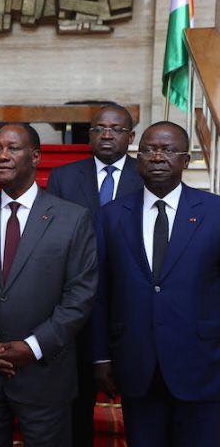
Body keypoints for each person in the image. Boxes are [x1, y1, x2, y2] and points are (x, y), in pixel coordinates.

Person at [0, 124, 98, 446]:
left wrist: (33, 347)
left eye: (13, 148)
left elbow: (79, 295)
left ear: (37, 157)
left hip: (44, 375)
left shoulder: (73, 218)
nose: (1, 156)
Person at [93, 121, 220, 446]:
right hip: (137, 365)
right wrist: (101, 356)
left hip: (203, 363)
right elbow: (101, 292)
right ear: (138, 158)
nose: (158, 157)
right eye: (149, 149)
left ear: (185, 160)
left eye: (168, 150)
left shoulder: (214, 212)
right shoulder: (110, 216)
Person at [45, 104, 143, 446]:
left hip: (130, 304)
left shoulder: (147, 174)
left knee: (140, 404)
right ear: (89, 134)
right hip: (75, 305)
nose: (106, 134)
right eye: (99, 128)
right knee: (77, 405)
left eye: (116, 129)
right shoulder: (64, 177)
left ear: (130, 137)